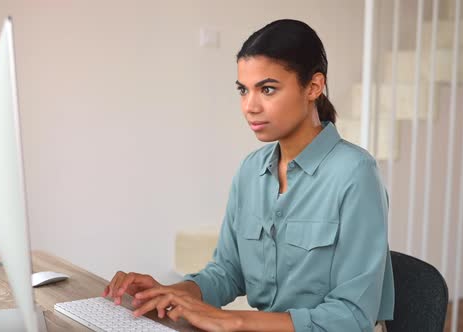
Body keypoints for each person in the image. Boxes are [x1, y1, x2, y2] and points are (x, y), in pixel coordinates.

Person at [103, 19, 394, 332]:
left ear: (313, 86)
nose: (249, 106)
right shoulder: (250, 171)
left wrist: (233, 320)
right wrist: (171, 293)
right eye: (244, 90)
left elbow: (351, 316)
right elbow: (228, 271)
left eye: (267, 89)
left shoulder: (355, 173)